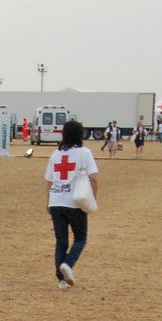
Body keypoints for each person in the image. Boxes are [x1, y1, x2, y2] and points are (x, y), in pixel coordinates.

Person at [44, 119, 99, 290]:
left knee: (61, 242)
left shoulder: (55, 154)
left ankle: (61, 280)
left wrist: (48, 202)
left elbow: (49, 181)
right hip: (74, 202)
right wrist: (93, 199)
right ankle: (68, 264)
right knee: (80, 238)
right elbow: (94, 178)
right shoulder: (84, 153)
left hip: (56, 201)